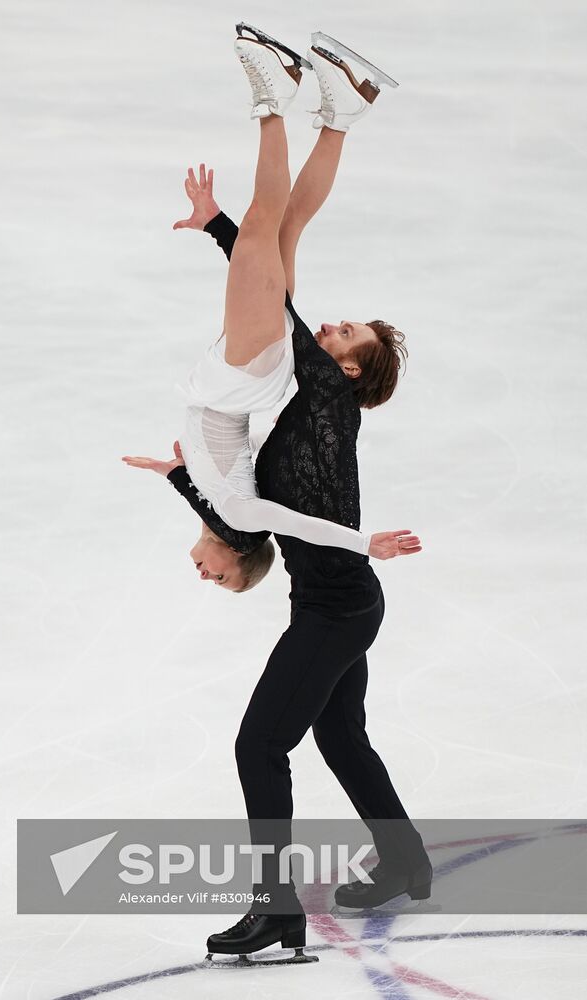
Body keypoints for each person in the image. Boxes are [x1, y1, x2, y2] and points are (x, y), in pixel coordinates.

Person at [134, 23, 432, 965]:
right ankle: (401, 860)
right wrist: (222, 231)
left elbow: (258, 516)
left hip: (341, 598)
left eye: (345, 338)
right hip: (340, 602)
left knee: (263, 747)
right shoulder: (319, 398)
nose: (333, 326)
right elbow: (250, 517)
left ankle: (279, 912)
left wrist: (358, 544)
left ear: (345, 373)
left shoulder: (324, 397)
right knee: (337, 735)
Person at [122, 28, 420, 595]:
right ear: (242, 560)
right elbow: (289, 523)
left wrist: (174, 473)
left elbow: (199, 495)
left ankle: (342, 113)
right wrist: (364, 544)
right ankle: (273, 93)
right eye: (222, 579)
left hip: (243, 377)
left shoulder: (227, 506)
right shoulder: (242, 517)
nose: (205, 572)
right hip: (241, 376)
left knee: (283, 228)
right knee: (267, 220)